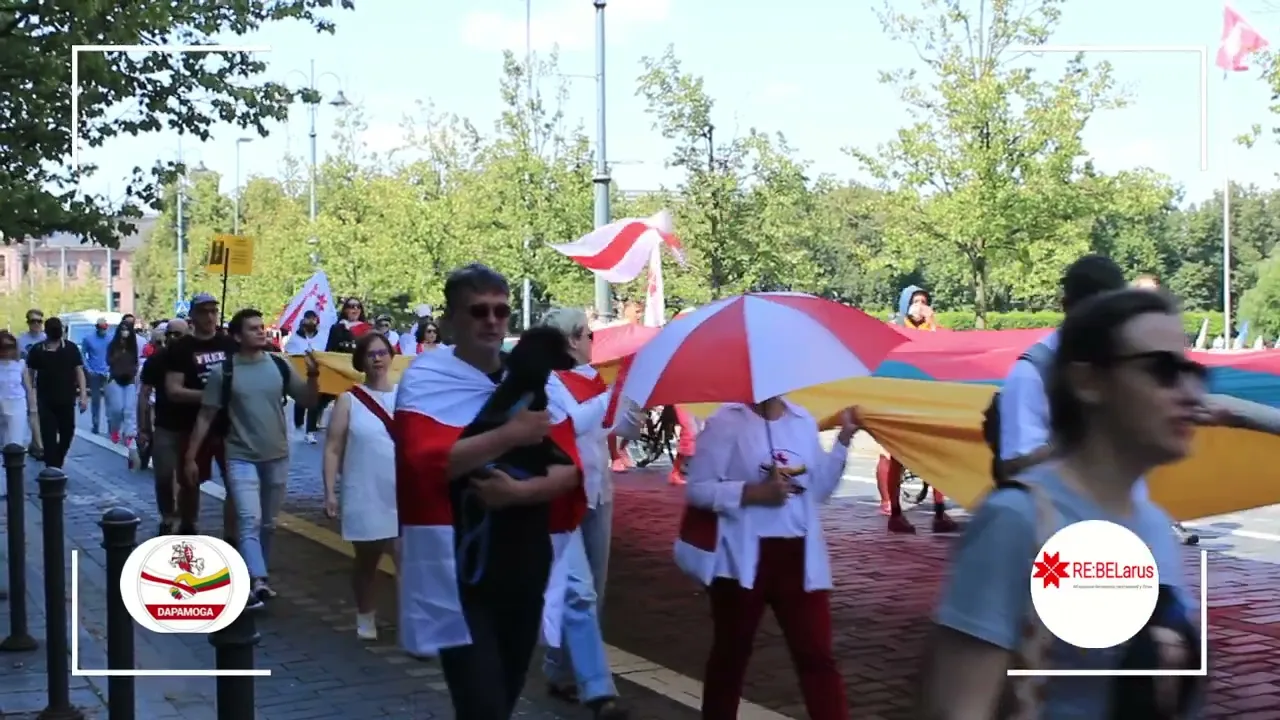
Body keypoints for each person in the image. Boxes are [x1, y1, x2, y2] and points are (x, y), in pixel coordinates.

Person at [921, 288, 1204, 719]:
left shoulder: (1154, 526)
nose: (1188, 393)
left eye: (1191, 371)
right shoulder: (1018, 520)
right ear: (1089, 382)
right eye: (1161, 370)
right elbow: (958, 710)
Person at [394, 263, 585, 719]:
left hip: (526, 563)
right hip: (458, 571)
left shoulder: (541, 379)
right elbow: (426, 466)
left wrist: (519, 494)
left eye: (501, 311)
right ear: (450, 321)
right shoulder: (426, 378)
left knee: (505, 696)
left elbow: (572, 472)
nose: (492, 321)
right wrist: (510, 435)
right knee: (482, 707)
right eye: (478, 311)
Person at [676, 398, 859, 719]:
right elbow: (698, 489)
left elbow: (818, 491)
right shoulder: (726, 421)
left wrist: (844, 439)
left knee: (817, 656)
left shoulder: (802, 420)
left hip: (800, 558)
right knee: (731, 655)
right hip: (741, 560)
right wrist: (752, 493)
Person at [540, 308, 643, 718]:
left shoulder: (593, 380)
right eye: (587, 334)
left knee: (592, 591)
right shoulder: (547, 381)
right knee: (578, 591)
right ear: (570, 339)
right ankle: (595, 687)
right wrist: (611, 395)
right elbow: (571, 424)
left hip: (598, 491)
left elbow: (617, 429)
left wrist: (632, 403)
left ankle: (562, 671)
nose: (592, 341)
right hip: (561, 495)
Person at [188, 308, 320, 603]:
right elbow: (205, 416)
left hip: (277, 455)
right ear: (237, 336)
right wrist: (190, 457)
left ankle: (257, 573)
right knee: (249, 519)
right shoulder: (224, 372)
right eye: (253, 328)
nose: (261, 331)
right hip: (240, 456)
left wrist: (313, 376)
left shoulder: (279, 364)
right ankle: (258, 578)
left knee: (268, 523)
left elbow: (308, 400)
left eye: (262, 327)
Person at [322, 332, 399, 640]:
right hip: (365, 491)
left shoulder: (406, 395)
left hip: (402, 492)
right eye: (371, 354)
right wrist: (330, 492)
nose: (378, 359)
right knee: (368, 562)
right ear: (361, 361)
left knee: (408, 560)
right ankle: (366, 615)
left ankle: (413, 624)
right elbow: (333, 448)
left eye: (382, 353)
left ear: (391, 357)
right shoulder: (348, 400)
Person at [879, 285, 958, 533]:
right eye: (915, 302)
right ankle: (895, 512)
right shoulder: (894, 329)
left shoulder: (934, 329)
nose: (920, 307)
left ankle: (939, 512)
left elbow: (948, 348)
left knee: (937, 456)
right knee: (897, 456)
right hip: (901, 400)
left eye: (924, 301)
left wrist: (932, 325)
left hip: (930, 400)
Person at [164, 293, 239, 537]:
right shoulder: (181, 348)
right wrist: (210, 396)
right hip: (191, 424)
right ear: (192, 316)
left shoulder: (230, 345)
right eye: (203, 311)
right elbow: (173, 390)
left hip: (228, 426)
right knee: (190, 482)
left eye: (213, 311)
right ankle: (189, 526)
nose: (209, 316)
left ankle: (231, 537)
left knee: (235, 483)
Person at [140, 320, 188, 533]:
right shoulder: (156, 361)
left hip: (191, 427)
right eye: (171, 334)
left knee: (188, 478)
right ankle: (167, 514)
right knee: (164, 475)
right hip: (164, 426)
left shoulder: (194, 359)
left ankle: (183, 516)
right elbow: (144, 394)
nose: (174, 338)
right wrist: (143, 427)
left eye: (179, 334)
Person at [26, 318, 88, 469]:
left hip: (66, 399)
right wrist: (31, 393)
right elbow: (30, 373)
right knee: (48, 435)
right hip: (45, 400)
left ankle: (57, 461)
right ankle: (52, 467)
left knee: (68, 432)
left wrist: (83, 395)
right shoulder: (37, 349)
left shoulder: (70, 348)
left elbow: (79, 371)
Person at [284, 310, 326, 443]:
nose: (311, 321)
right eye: (308, 319)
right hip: (300, 373)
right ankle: (299, 424)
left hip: (316, 374)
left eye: (313, 319)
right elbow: (289, 351)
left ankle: (310, 431)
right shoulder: (295, 338)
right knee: (300, 399)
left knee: (314, 401)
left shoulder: (321, 337)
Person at [0, 331, 40, 458]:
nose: (6, 350)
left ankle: (14, 469)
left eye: (10, 346)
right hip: (1, 403)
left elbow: (28, 387)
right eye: (3, 347)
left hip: (17, 405)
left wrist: (33, 407)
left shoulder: (20, 364)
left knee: (15, 443)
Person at [105, 319, 140, 452]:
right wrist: (118, 354)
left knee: (129, 409)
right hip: (116, 379)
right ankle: (115, 429)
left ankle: (129, 434)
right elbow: (108, 361)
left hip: (129, 380)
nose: (124, 332)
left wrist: (133, 372)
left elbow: (136, 361)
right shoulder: (113, 346)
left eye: (127, 330)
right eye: (122, 329)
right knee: (117, 408)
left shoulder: (132, 346)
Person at [80, 317, 112, 434]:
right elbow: (83, 354)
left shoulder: (110, 338)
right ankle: (95, 424)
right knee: (95, 400)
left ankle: (110, 426)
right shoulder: (88, 339)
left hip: (107, 373)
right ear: (97, 327)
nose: (103, 330)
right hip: (94, 373)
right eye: (101, 327)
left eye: (105, 327)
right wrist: (88, 368)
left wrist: (111, 368)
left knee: (110, 400)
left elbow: (114, 354)